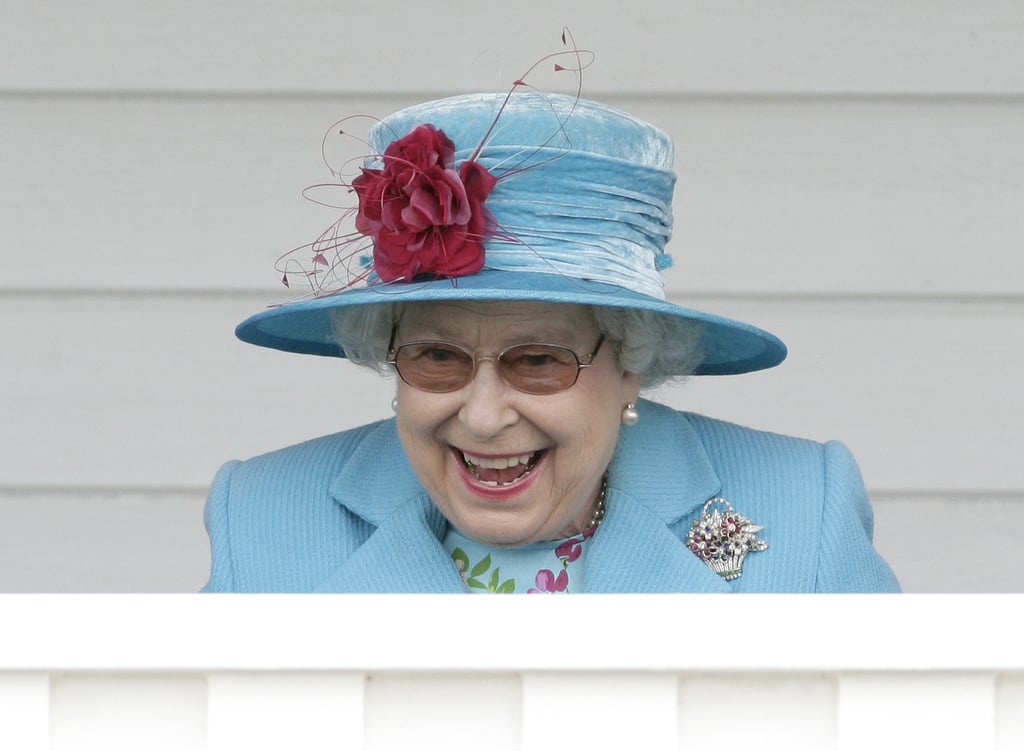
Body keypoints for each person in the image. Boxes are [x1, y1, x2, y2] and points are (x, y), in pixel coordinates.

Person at [201, 79, 899, 593]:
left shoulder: (806, 508)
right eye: (436, 356)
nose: (481, 414)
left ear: (632, 359)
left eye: (537, 360)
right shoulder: (258, 518)